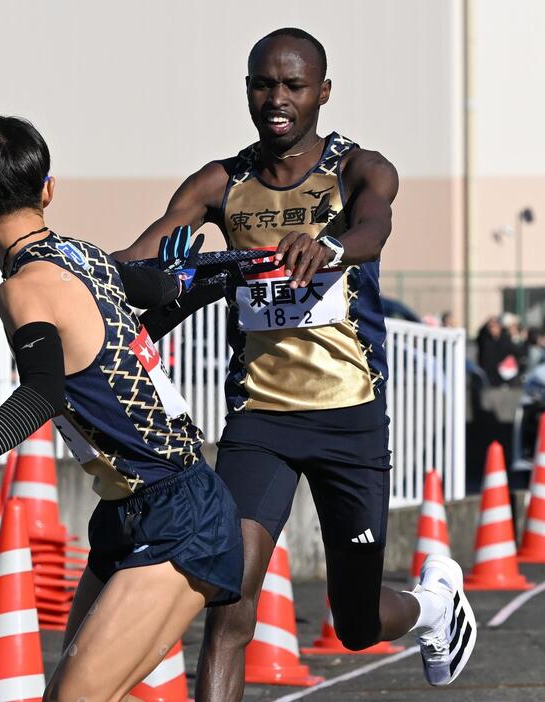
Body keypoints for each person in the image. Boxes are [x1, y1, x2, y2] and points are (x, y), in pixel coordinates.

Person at [116, 27, 476, 695]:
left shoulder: (357, 168)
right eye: (262, 84)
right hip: (261, 420)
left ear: (322, 93)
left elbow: (373, 226)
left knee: (357, 622)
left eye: (292, 86)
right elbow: (138, 259)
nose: (276, 99)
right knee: (228, 600)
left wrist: (333, 248)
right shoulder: (221, 183)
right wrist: (81, 267)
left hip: (348, 419)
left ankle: (431, 606)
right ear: (247, 89)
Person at [0, 116, 243, 702]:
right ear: (48, 188)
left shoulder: (21, 289)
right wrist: (190, 279)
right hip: (134, 510)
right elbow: (136, 323)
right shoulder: (85, 256)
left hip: (177, 513)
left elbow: (44, 392)